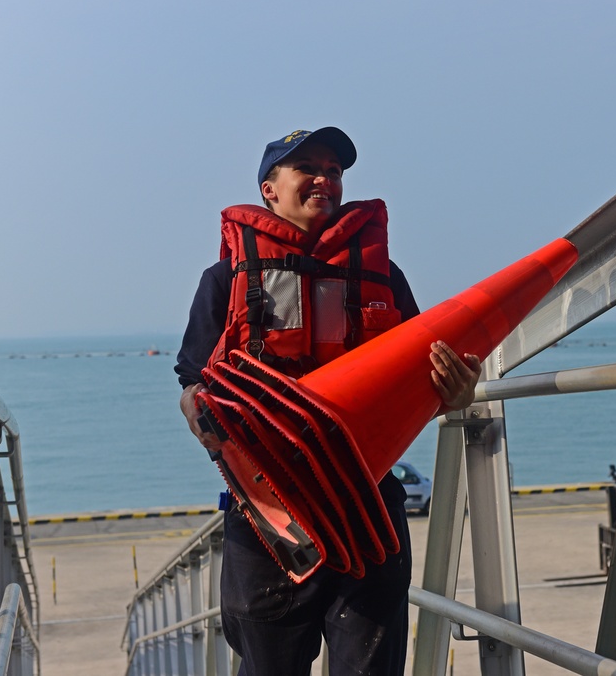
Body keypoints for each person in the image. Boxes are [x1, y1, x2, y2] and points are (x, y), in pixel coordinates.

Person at [174, 127, 481, 676]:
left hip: (368, 499)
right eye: (307, 168)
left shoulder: (384, 278)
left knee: (370, 666)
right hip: (269, 511)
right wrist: (202, 412)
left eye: (335, 170)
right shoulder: (224, 278)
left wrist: (457, 393)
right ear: (269, 189)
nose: (325, 179)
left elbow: (423, 381)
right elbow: (192, 381)